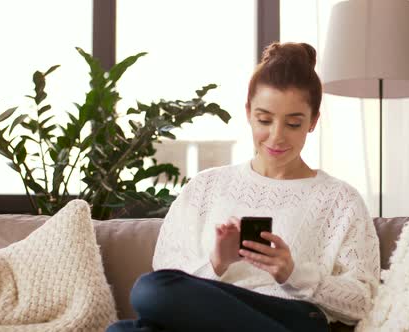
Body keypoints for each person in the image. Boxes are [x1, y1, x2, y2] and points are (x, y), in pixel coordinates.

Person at [106, 42, 380, 332]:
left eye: (293, 124)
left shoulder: (341, 200)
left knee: (145, 298)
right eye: (264, 120)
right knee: (147, 295)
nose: (276, 137)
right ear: (248, 112)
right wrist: (216, 262)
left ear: (313, 121)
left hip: (289, 317)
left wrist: (293, 273)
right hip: (206, 316)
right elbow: (168, 282)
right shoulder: (204, 187)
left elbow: (362, 302)